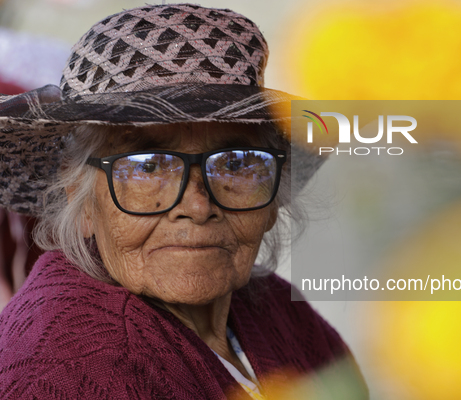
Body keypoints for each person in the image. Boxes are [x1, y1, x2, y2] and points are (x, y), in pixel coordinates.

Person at [0, 4, 368, 399]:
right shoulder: (68, 368)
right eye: (148, 165)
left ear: (273, 197)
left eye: (236, 162)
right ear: (83, 201)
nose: (196, 205)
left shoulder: (275, 308)